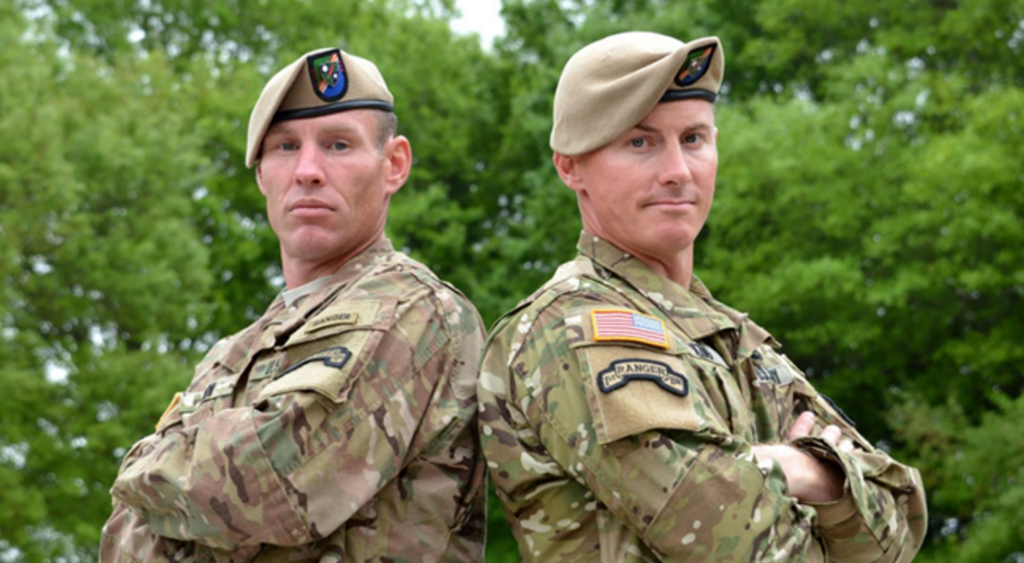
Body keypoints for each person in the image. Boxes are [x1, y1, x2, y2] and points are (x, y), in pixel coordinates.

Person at [478, 32, 927, 562]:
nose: (677, 171)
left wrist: (796, 470)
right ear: (570, 166)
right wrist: (810, 468)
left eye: (693, 139)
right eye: (640, 143)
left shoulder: (731, 336)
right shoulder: (572, 328)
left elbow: (900, 523)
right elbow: (733, 544)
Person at [100, 47, 486, 562]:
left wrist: (137, 470)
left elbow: (265, 489)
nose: (308, 170)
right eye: (285, 147)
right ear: (261, 173)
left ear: (393, 165)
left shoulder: (416, 312)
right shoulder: (231, 354)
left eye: (338, 145)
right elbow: (123, 541)